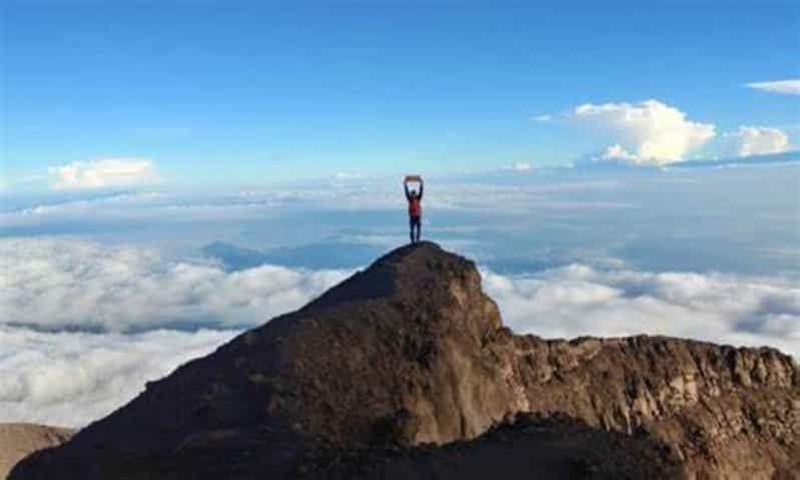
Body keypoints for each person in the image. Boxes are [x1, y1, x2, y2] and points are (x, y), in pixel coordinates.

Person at [404, 176, 424, 244]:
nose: (413, 195)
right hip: (412, 216)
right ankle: (413, 241)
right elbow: (406, 193)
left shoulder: (418, 199)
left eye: (414, 194)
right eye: (412, 194)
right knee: (412, 230)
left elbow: (421, 192)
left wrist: (421, 184)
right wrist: (405, 184)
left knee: (418, 229)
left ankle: (417, 240)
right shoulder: (410, 200)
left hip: (417, 216)